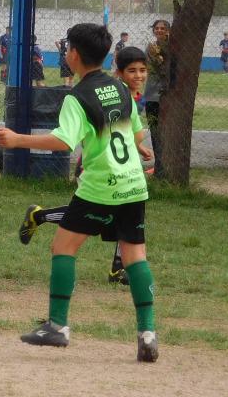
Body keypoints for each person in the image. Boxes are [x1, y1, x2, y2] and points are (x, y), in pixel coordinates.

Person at [0, 23, 158, 362]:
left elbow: (63, 141)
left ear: (73, 55)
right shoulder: (122, 88)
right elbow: (137, 137)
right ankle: (147, 334)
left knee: (63, 246)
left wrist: (17, 139)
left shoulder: (77, 96)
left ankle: (58, 326)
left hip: (101, 187)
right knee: (134, 257)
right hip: (133, 184)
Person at [18, 46, 154, 285]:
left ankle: (117, 268)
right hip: (97, 170)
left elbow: (120, 132)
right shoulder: (107, 92)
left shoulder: (127, 95)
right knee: (90, 218)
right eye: (132, 71)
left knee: (119, 215)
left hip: (119, 173)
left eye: (143, 70)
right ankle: (39, 216)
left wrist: (136, 147)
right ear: (118, 72)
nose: (138, 76)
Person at [144, 18, 171, 176]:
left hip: (170, 96)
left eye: (163, 28)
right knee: (155, 131)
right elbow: (155, 69)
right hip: (153, 94)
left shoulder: (175, 47)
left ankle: (168, 165)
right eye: (157, 28)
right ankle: (159, 166)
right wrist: (159, 59)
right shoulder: (151, 47)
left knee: (169, 131)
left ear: (168, 30)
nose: (159, 30)